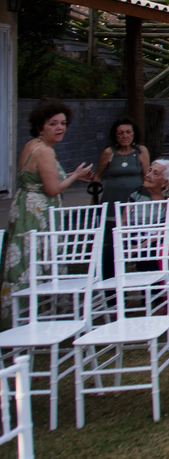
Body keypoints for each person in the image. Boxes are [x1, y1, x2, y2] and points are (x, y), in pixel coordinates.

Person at [0, 101, 94, 327]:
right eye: (53, 123)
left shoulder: (33, 145)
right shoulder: (44, 152)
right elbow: (52, 189)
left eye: (63, 123)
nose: (60, 128)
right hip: (36, 215)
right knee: (33, 262)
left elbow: (43, 179)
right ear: (40, 126)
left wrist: (71, 175)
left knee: (25, 260)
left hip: (25, 210)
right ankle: (31, 318)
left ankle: (25, 316)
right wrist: (75, 176)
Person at [95, 116, 152, 278]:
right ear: (115, 135)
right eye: (120, 133)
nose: (125, 136)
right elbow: (98, 176)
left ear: (134, 134)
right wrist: (95, 198)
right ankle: (111, 272)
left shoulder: (141, 151)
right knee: (111, 238)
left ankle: (136, 267)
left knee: (133, 235)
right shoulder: (109, 152)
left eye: (128, 132)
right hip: (112, 199)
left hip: (134, 201)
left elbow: (147, 176)